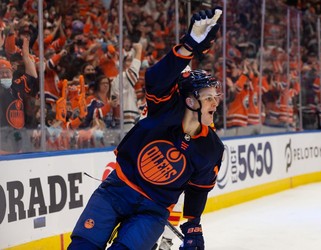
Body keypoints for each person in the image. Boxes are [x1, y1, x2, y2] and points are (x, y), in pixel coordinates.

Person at [68, 6, 223, 250]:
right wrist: (189, 46)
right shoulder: (164, 109)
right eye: (209, 97)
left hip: (152, 210)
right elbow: (156, 78)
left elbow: (197, 189)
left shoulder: (211, 147)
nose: (216, 102)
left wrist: (193, 226)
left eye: (216, 96)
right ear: (190, 100)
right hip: (116, 191)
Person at [0, 36, 38, 154]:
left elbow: (32, 75)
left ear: (12, 72)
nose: (5, 76)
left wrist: (26, 56)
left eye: (7, 72)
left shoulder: (17, 86)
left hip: (19, 138)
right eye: (1, 74)